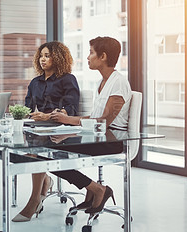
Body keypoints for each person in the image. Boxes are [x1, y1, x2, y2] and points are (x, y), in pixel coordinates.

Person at [49, 36, 132, 214]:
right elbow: (95, 118)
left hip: (112, 140)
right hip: (97, 136)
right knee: (49, 151)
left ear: (102, 56)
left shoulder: (118, 82)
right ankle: (93, 188)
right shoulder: (103, 82)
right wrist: (69, 126)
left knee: (51, 156)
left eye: (91, 53)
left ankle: (97, 190)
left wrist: (70, 122)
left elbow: (104, 122)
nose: (87, 57)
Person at [12, 41, 80, 222]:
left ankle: (34, 200)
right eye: (41, 55)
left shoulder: (68, 79)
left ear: (57, 57)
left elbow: (69, 110)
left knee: (36, 151)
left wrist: (47, 117)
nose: (43, 59)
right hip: (38, 129)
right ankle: (46, 181)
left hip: (62, 131)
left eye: (47, 55)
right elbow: (27, 108)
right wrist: (20, 116)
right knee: (19, 145)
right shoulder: (35, 82)